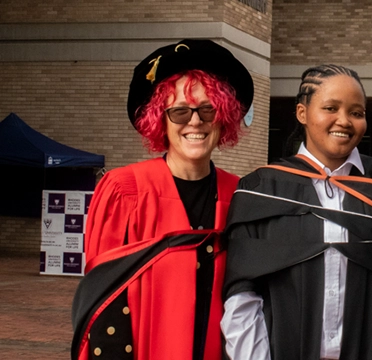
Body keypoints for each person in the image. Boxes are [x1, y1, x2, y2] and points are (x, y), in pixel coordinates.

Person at [221, 64, 372, 360]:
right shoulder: (262, 190)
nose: (344, 121)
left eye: (356, 113)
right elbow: (242, 298)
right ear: (302, 113)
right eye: (330, 108)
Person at [71, 39, 254, 360]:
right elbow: (104, 302)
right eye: (179, 112)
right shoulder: (124, 190)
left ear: (223, 116)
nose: (195, 121)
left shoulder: (239, 195)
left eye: (207, 109)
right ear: (161, 120)